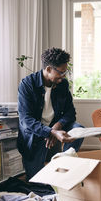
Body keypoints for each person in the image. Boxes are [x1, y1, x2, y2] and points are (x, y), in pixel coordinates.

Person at [17, 47, 84, 180]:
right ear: (48, 69)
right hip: (35, 133)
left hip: (55, 127)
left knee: (78, 130)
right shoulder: (27, 84)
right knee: (36, 181)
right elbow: (26, 120)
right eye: (61, 72)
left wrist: (57, 127)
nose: (64, 76)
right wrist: (50, 132)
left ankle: (65, 164)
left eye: (66, 72)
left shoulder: (62, 84)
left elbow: (70, 112)